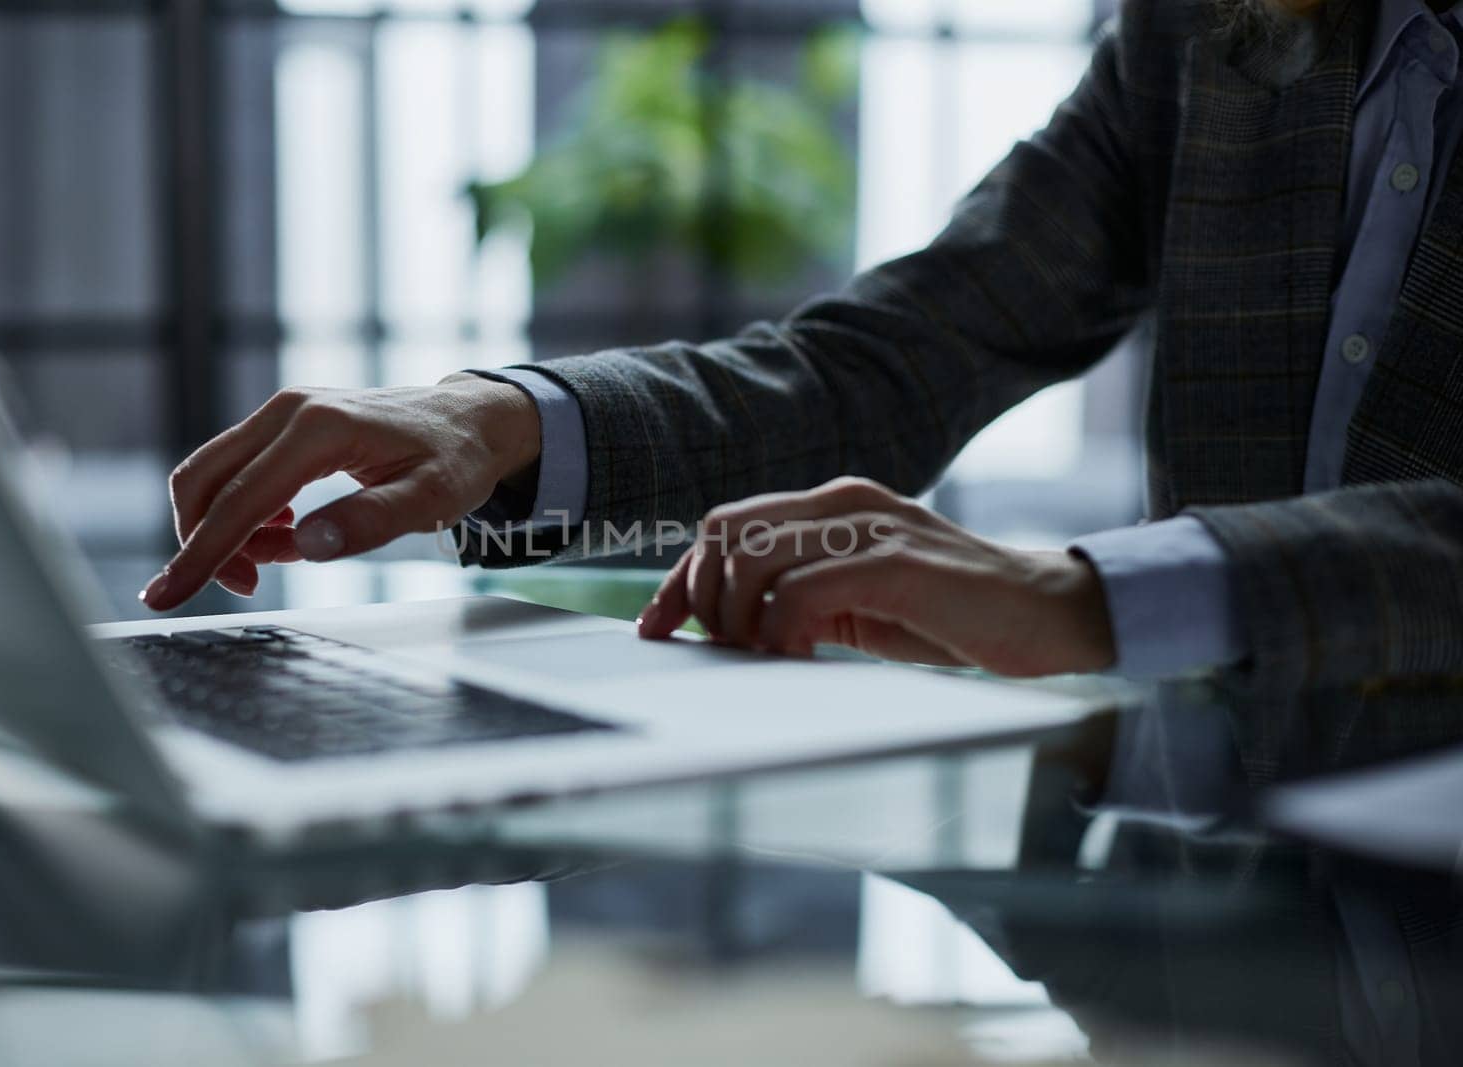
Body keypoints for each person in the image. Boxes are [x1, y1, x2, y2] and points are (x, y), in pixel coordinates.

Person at [141, 0, 1463, 690]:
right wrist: (511, 422)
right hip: (1234, 916)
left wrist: (1095, 594)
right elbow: (900, 355)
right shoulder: (1212, 29)